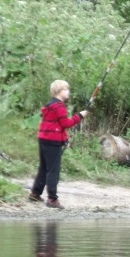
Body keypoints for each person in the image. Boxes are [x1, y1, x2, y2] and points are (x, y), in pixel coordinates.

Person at [30, 80, 88, 209]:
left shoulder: (50, 105)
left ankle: (35, 193)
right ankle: (52, 199)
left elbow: (57, 125)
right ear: (58, 91)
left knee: (44, 168)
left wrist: (64, 140)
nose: (68, 92)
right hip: (52, 141)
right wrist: (80, 116)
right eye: (65, 89)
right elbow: (66, 124)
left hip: (44, 138)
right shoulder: (59, 106)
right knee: (53, 170)